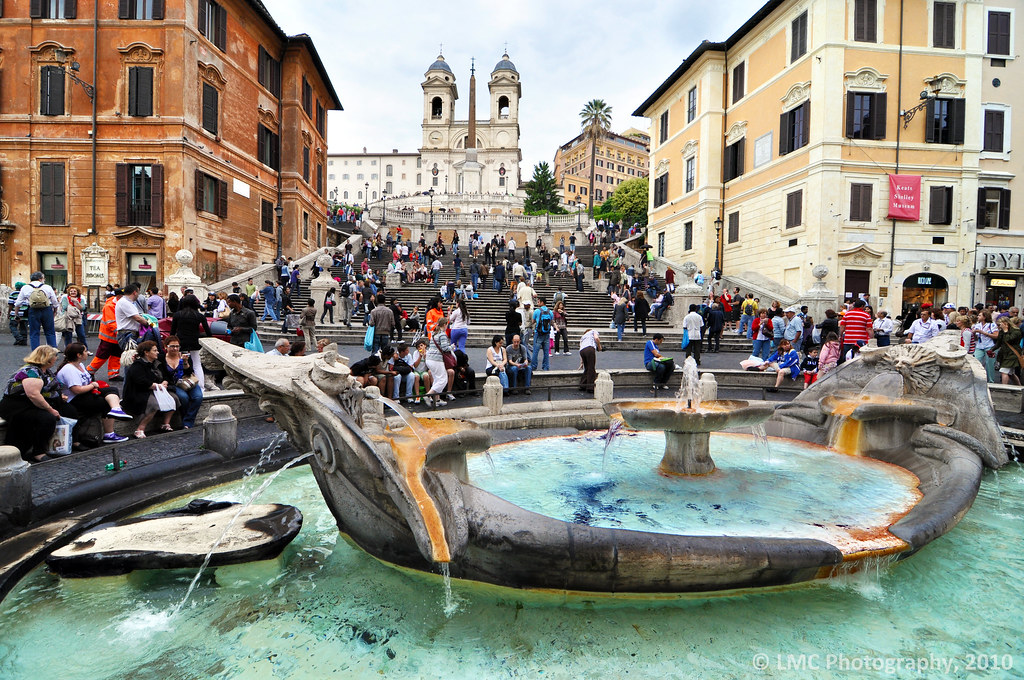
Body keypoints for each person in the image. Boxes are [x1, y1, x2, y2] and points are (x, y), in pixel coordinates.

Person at [0, 345, 81, 461]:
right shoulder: (30, 371)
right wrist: (50, 409)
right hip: (18, 405)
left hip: (32, 402)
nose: (56, 359)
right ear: (47, 359)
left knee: (69, 409)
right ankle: (38, 452)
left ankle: (74, 441)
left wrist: (58, 396)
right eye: (54, 357)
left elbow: (49, 388)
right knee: (47, 418)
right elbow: (33, 395)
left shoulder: (45, 370)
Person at [55, 342, 132, 444]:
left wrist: (92, 385)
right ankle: (109, 433)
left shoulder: (80, 365)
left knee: (112, 390)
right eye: (85, 351)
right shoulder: (69, 369)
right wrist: (92, 386)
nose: (88, 353)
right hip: (74, 399)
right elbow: (76, 390)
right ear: (79, 355)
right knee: (104, 402)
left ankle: (116, 409)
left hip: (85, 393)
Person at [122, 340, 179, 438]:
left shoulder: (157, 363)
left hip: (156, 389)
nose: (157, 352)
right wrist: (156, 385)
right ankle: (140, 428)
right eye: (155, 350)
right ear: (146, 352)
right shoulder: (138, 365)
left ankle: (165, 423)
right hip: (140, 392)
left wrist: (164, 382)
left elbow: (166, 375)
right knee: (153, 404)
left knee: (174, 398)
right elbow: (141, 382)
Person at [170, 293, 212, 390]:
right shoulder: (199, 316)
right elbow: (208, 332)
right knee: (197, 364)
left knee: (178, 362)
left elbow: (172, 332)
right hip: (194, 341)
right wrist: (200, 335)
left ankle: (178, 384)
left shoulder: (177, 315)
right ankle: (201, 387)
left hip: (180, 342)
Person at [160, 336, 204, 429]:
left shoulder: (184, 356)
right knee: (184, 398)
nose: (175, 348)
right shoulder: (162, 358)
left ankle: (187, 421)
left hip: (188, 381)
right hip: (174, 384)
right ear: (166, 347)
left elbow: (190, 372)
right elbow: (163, 374)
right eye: (172, 346)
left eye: (177, 346)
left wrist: (185, 362)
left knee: (198, 397)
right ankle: (186, 422)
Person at [15, 271, 59, 349]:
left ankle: (35, 354)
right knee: (50, 332)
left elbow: (18, 303)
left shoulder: (25, 287)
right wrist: (55, 311)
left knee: (34, 333)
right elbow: (54, 301)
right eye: (43, 278)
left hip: (33, 310)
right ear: (40, 279)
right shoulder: (47, 287)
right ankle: (53, 352)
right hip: (46, 309)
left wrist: (16, 314)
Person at [425, 316, 454, 407]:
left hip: (429, 359)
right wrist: (452, 347)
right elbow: (445, 348)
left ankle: (437, 400)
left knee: (437, 379)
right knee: (443, 379)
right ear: (445, 324)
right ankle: (428, 395)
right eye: (447, 324)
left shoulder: (434, 333)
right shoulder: (442, 334)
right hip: (436, 359)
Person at [58, 285, 88, 350]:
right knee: (68, 335)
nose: (73, 292)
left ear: (77, 292)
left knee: (81, 335)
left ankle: (85, 349)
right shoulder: (65, 298)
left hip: (78, 318)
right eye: (71, 291)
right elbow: (64, 307)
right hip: (68, 318)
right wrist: (74, 304)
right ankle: (68, 350)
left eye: (74, 291)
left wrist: (76, 302)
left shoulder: (81, 299)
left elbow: (82, 308)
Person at [972, 309, 999, 383]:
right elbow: (975, 337)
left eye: (980, 315)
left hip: (989, 346)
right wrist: (974, 333)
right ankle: (977, 379)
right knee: (977, 361)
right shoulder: (977, 325)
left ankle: (991, 380)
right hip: (979, 345)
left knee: (989, 363)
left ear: (985, 317)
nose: (978, 317)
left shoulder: (992, 325)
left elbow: (996, 335)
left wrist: (983, 332)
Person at [994, 316, 1022, 385]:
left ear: (1005, 323)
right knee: (1011, 373)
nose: (999, 326)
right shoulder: (1001, 332)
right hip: (1004, 354)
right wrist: (991, 350)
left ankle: (1004, 388)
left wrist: (1006, 331)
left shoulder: (1016, 331)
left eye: (1000, 324)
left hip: (1012, 354)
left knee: (1004, 371)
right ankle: (1019, 387)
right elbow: (999, 343)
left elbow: (1008, 339)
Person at [531, 298, 553, 371]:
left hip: (538, 333)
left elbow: (533, 321)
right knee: (546, 352)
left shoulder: (537, 311)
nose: (537, 303)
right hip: (547, 333)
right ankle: (546, 366)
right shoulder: (550, 312)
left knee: (535, 351)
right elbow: (552, 321)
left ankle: (534, 366)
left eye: (538, 301)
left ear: (542, 302)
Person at [578, 327, 602, 393]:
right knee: (591, 367)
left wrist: (582, 363)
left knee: (587, 368)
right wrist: (599, 347)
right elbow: (596, 338)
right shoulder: (593, 331)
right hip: (590, 348)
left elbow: (581, 347)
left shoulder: (583, 337)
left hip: (582, 351)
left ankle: (582, 385)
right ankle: (590, 387)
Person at [8, 282, 28, 346]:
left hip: (15, 313)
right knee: (23, 327)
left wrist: (8, 313)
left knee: (12, 326)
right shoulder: (26, 293)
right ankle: (24, 341)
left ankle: (19, 338)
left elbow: (11, 304)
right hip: (24, 313)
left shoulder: (13, 294)